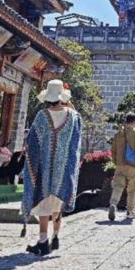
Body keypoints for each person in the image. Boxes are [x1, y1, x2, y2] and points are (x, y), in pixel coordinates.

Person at [21, 80, 82, 256]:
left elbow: (31, 141)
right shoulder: (73, 117)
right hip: (64, 168)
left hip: (45, 166)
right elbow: (75, 144)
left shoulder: (42, 116)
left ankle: (43, 241)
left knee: (43, 204)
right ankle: (55, 235)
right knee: (58, 203)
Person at [109, 112, 135, 221]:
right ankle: (130, 211)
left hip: (120, 164)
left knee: (118, 186)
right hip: (132, 165)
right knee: (132, 188)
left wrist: (116, 162)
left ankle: (113, 204)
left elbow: (113, 150)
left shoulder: (118, 133)